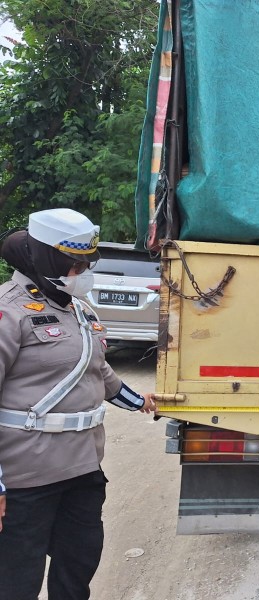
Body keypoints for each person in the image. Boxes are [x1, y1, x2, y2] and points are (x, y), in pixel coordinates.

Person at [0, 208, 157, 600]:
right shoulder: (10, 310)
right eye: (75, 264)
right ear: (49, 258)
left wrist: (139, 400)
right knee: (17, 577)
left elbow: (97, 372)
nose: (83, 271)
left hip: (82, 470)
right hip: (23, 481)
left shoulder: (77, 309)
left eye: (87, 262)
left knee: (79, 564)